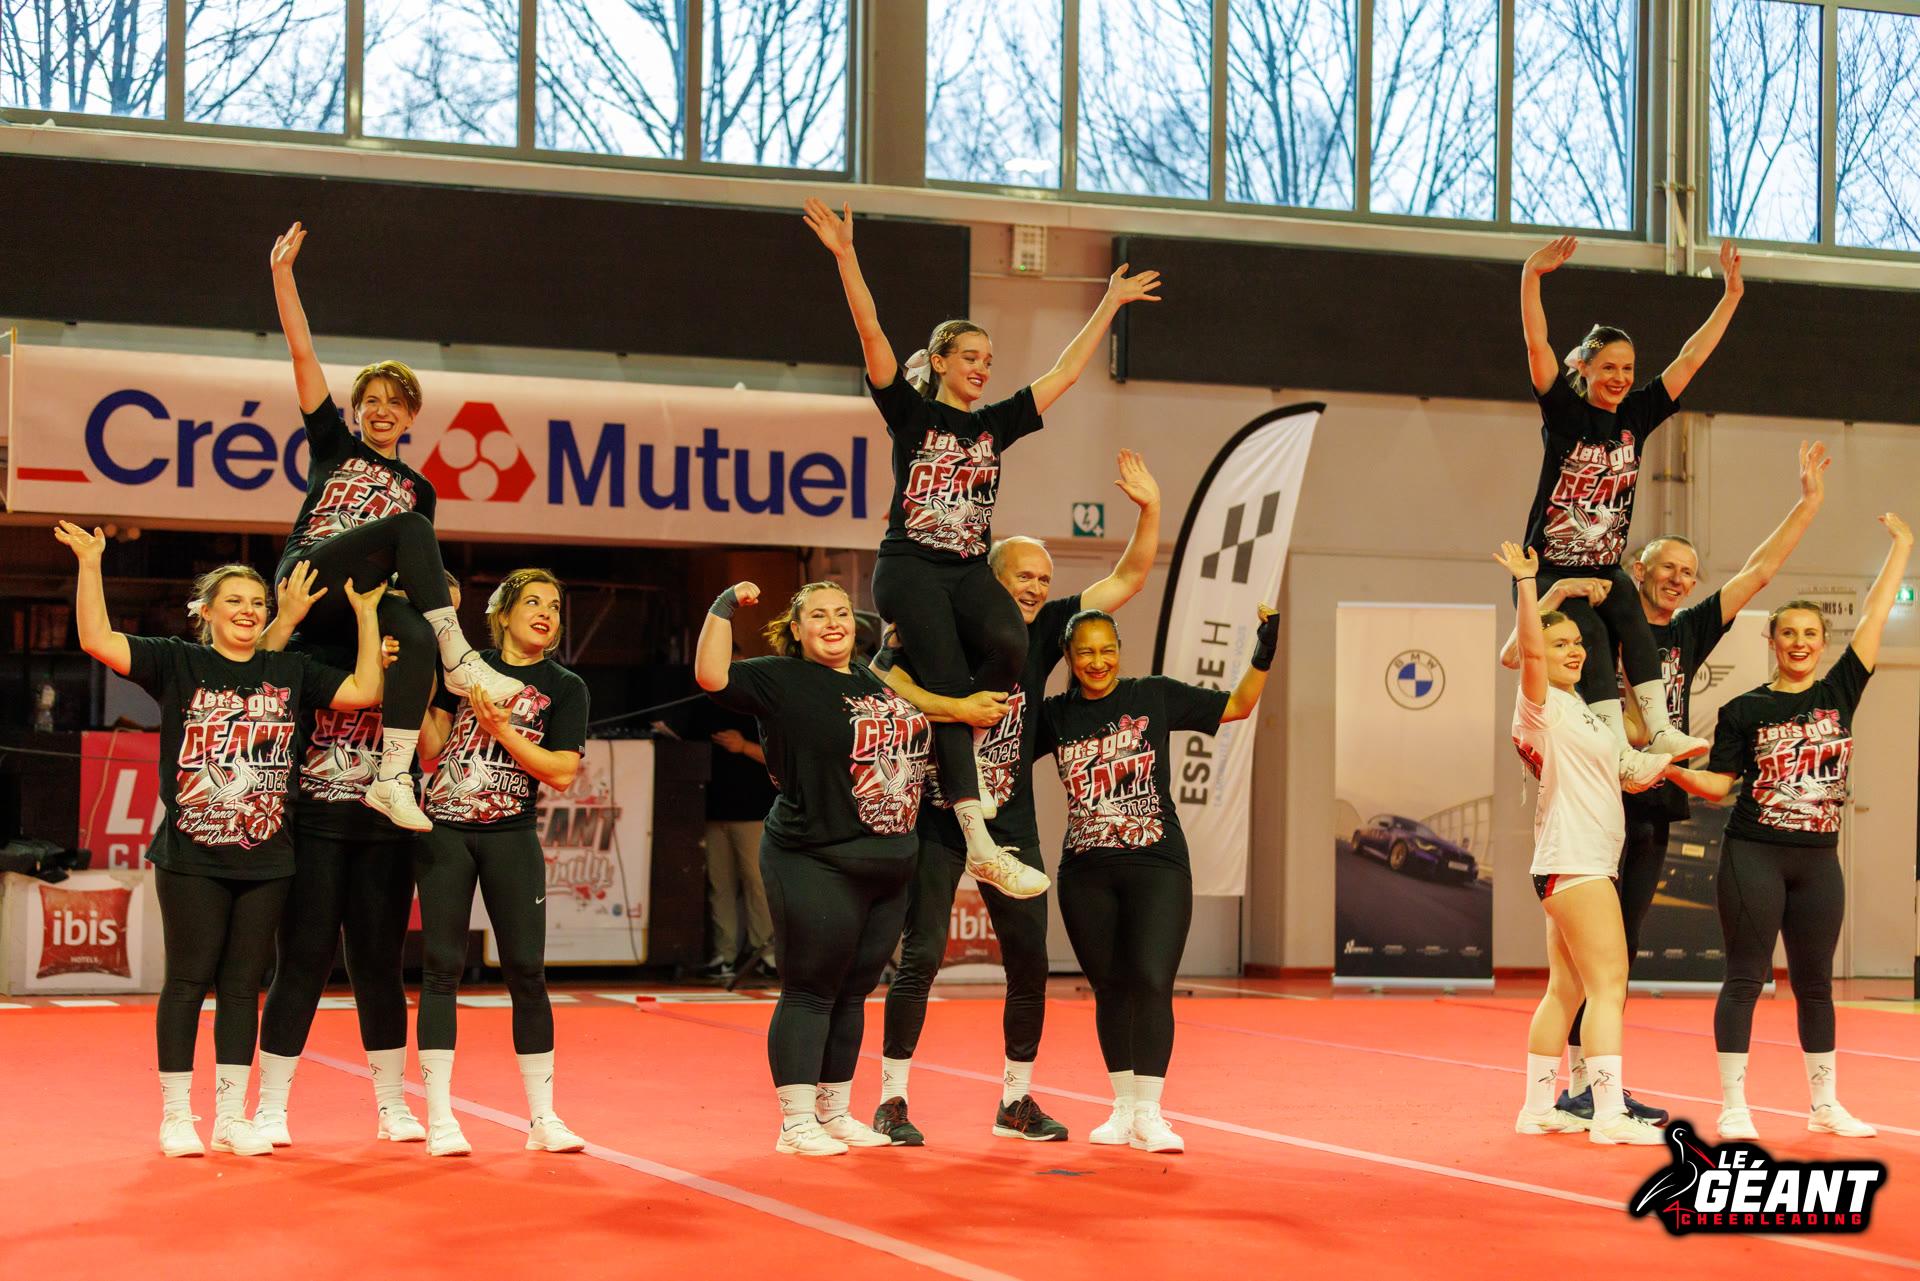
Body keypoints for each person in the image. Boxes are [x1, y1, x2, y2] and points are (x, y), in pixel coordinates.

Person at [802, 196, 1160, 902]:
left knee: (1009, 643)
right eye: (969, 357)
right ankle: (978, 839)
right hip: (910, 566)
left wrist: (1109, 303)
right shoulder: (911, 414)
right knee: (950, 687)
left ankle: (934, 707)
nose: (981, 368)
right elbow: (871, 330)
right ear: (938, 362)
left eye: (989, 360)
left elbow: (1062, 373)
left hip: (966, 568)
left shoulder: (993, 426)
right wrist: (846, 256)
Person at [1501, 441, 1831, 1126]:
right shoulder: (1590, 625)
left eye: (1689, 571)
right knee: (1597, 962)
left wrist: (1807, 505)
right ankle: (1588, 1090)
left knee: (1616, 947)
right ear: (1636, 571)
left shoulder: (1687, 632)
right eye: (1668, 567)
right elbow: (1526, 653)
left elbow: (1759, 572)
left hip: (1647, 796)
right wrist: (1546, 589)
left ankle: (1591, 1086)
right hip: (1591, 798)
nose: (1680, 579)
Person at [55, 521, 386, 1159]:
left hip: (267, 857)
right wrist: (91, 563)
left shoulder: (289, 668)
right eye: (234, 600)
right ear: (205, 612)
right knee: (187, 981)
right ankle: (177, 1116)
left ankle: (232, 1118)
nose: (248, 610)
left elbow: (365, 691)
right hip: (192, 856)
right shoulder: (178, 662)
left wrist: (368, 616)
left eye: (258, 602)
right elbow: (96, 639)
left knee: (241, 987)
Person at [870, 449, 1162, 1146]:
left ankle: (1016, 1100)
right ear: (989, 582)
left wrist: (1151, 510)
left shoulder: (1044, 632)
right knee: (922, 955)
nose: (1034, 588)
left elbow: (1127, 578)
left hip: (1014, 823)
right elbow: (878, 675)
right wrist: (950, 704)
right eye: (1022, 576)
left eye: (1043, 579)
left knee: (1030, 961)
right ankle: (891, 1099)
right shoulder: (938, 631)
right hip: (938, 817)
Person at [269, 221, 522, 833]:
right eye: (371, 401)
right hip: (309, 576)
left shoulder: (421, 488)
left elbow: (413, 574)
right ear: (356, 411)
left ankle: (391, 778)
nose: (382, 411)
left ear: (411, 417)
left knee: (414, 630)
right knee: (409, 530)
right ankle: (460, 654)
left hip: (362, 597)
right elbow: (303, 356)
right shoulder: (334, 447)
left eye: (395, 403)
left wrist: (423, 607)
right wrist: (282, 276)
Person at [1668, 514, 1912, 1142]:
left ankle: (1824, 1104)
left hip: (1818, 863)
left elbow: (1875, 614)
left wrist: (1903, 547)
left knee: (1815, 985)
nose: (1799, 642)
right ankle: (1733, 1105)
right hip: (1755, 854)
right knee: (1746, 978)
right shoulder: (1743, 709)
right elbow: (1718, 786)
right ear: (1771, 641)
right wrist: (1663, 768)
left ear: (1824, 643)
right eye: (1788, 633)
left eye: (1810, 634)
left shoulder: (1839, 691)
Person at [695, 579, 932, 1157]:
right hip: (815, 857)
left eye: (842, 613)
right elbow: (711, 676)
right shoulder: (782, 677)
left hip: (889, 862)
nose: (833, 623)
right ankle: (796, 1122)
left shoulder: (876, 680)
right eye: (818, 615)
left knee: (854, 991)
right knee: (810, 989)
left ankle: (834, 1110)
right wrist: (723, 606)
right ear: (797, 630)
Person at [1033, 603, 1275, 1154]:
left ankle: (1150, 1111)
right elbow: (998, 745)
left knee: (1150, 979)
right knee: (1109, 987)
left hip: (1157, 864)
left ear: (1120, 651)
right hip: (1085, 872)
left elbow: (1237, 706)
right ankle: (1123, 1108)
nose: (1098, 661)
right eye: (1085, 652)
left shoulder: (1152, 695)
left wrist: (1264, 650)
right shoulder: (1054, 715)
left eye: (1107, 650)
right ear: (1068, 657)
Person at [1518, 234, 1745, 784]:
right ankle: (1616, 750)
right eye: (1609, 368)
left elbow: (1691, 358)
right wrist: (1530, 276)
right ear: (1587, 369)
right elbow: (1536, 345)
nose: (1620, 378)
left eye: (1627, 368)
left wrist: (1731, 296)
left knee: (1632, 620)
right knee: (1592, 642)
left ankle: (1660, 729)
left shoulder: (1636, 415)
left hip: (1604, 566)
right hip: (1550, 569)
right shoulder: (1565, 412)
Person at [244, 561, 428, 1147]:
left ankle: (393, 1105)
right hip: (315, 825)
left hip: (385, 830)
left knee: (379, 965)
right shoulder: (305, 653)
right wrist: (290, 618)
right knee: (302, 962)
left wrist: (413, 669)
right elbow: (253, 676)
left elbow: (435, 739)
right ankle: (271, 1108)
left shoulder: (407, 651)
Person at [413, 569, 590, 1157]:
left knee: (526, 971)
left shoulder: (565, 687)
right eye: (533, 602)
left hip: (511, 835)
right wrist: (415, 684)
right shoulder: (464, 669)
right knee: (441, 968)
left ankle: (543, 1117)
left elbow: (561, 772)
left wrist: (503, 732)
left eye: (555, 606)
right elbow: (431, 750)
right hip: (446, 831)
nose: (546, 613)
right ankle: (441, 1118)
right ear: (503, 613)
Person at [1497, 540, 1666, 1146]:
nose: (1575, 651)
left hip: (1577, 861)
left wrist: (1659, 764)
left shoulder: (1581, 710)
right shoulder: (1540, 706)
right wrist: (1531, 586)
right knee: (1608, 985)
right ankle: (1609, 1114)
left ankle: (1537, 1108)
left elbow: (1619, 773)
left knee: (1566, 990)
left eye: (1578, 642)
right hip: (1575, 863)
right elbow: (1522, 653)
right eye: (1560, 643)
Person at [690, 678, 778, 984]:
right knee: (720, 887)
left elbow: (781, 758)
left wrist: (743, 746)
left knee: (757, 884)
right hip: (714, 811)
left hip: (753, 813)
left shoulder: (760, 707)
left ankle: (767, 956)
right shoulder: (703, 707)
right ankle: (723, 955)